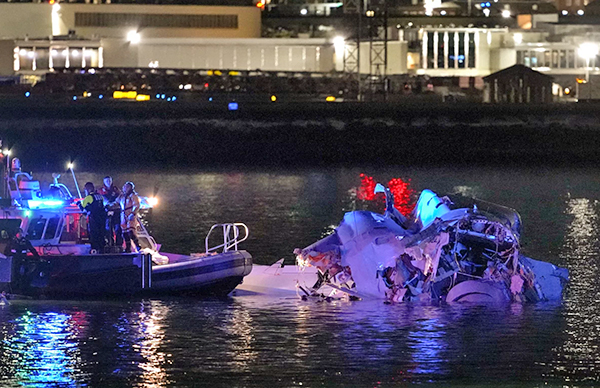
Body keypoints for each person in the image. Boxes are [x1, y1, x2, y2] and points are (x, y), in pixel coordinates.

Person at [78, 182, 107, 252]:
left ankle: (94, 249)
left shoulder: (88, 197)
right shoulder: (100, 196)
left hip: (94, 218)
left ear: (88, 189)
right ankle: (102, 249)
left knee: (94, 234)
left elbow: (82, 207)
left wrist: (78, 203)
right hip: (102, 218)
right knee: (101, 233)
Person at [98, 176, 122, 248]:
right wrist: (107, 205)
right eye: (107, 181)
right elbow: (100, 200)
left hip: (116, 212)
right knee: (108, 229)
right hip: (106, 213)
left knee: (118, 228)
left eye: (109, 180)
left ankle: (119, 245)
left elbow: (120, 198)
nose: (108, 182)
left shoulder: (116, 190)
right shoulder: (100, 191)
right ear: (104, 182)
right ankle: (110, 245)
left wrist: (114, 204)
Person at [120, 181, 140, 253]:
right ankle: (128, 248)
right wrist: (109, 205)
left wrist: (133, 213)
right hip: (123, 215)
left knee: (131, 231)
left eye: (126, 187)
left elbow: (136, 205)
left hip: (130, 214)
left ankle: (137, 245)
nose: (124, 188)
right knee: (124, 232)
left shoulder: (133, 196)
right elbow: (116, 202)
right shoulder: (122, 196)